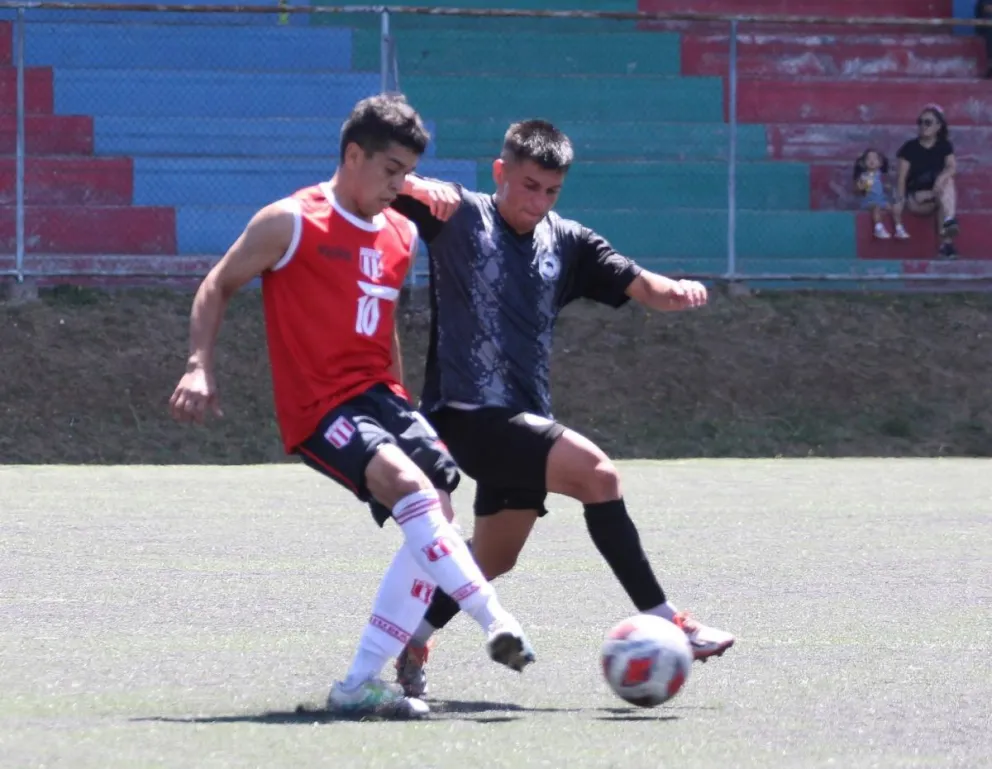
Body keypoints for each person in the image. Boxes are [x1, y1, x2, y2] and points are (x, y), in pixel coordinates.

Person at [167, 94, 534, 720]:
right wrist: (199, 365)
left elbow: (382, 320)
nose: (400, 185)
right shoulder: (289, 221)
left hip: (380, 397)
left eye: (407, 173)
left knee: (438, 505)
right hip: (319, 406)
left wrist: (401, 400)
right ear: (353, 155)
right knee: (409, 487)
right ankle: (491, 618)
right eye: (390, 171)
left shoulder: (400, 233)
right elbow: (218, 282)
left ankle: (360, 682)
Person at [387, 119, 736, 699]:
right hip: (465, 415)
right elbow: (377, 179)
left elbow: (639, 284)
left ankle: (413, 640)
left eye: (550, 190)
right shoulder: (460, 216)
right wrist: (418, 184)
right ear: (500, 173)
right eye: (527, 185)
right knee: (599, 475)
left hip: (523, 422)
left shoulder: (567, 242)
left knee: (495, 557)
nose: (537, 201)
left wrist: (673, 292)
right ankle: (671, 619)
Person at [893, 104, 960, 260]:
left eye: (928, 122)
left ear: (938, 126)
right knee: (945, 197)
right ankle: (948, 236)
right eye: (920, 122)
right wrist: (900, 201)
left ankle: (946, 242)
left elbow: (952, 168)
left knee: (947, 184)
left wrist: (940, 179)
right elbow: (901, 178)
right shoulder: (909, 148)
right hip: (916, 198)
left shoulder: (944, 146)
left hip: (936, 195)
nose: (923, 126)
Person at [853, 147, 908, 240]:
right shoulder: (864, 176)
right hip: (869, 201)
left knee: (894, 208)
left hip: (881, 200)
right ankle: (878, 228)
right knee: (876, 208)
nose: (872, 161)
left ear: (880, 162)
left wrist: (888, 188)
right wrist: (863, 186)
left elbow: (888, 187)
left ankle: (899, 228)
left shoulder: (881, 175)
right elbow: (858, 189)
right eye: (868, 159)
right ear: (863, 163)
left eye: (875, 159)